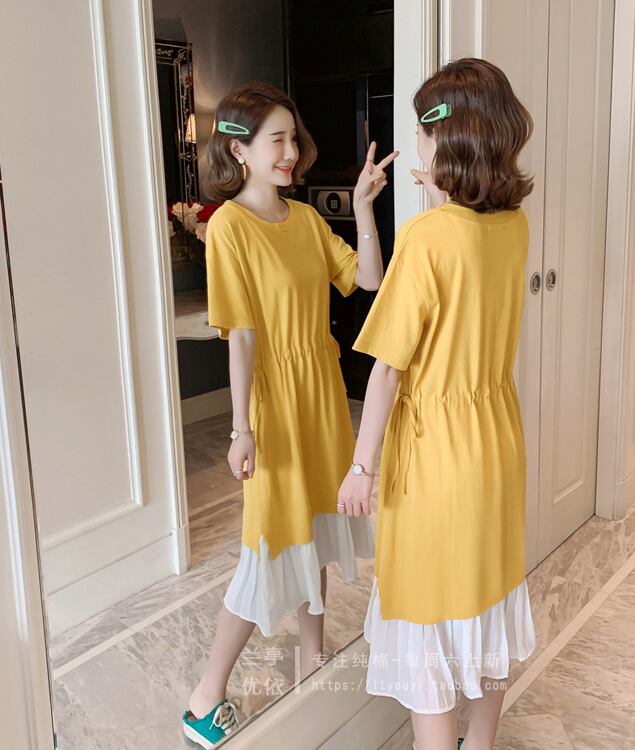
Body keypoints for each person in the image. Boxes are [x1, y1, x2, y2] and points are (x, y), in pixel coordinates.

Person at [181, 81, 397, 748]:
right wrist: (241, 428)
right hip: (274, 403)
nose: (291, 152)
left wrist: (363, 208)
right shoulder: (229, 228)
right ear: (239, 150)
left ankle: (312, 661)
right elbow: (241, 337)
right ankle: (204, 697)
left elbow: (367, 280)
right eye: (276, 139)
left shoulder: (303, 219)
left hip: (321, 394)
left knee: (317, 533)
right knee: (268, 547)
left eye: (293, 138)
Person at [337, 58, 537, 750]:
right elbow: (467, 256)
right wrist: (443, 193)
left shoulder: (426, 238)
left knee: (425, 608)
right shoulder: (514, 225)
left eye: (422, 134)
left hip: (436, 457)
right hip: (496, 443)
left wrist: (361, 467)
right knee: (486, 596)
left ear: (444, 138)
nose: (416, 147)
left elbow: (388, 371)